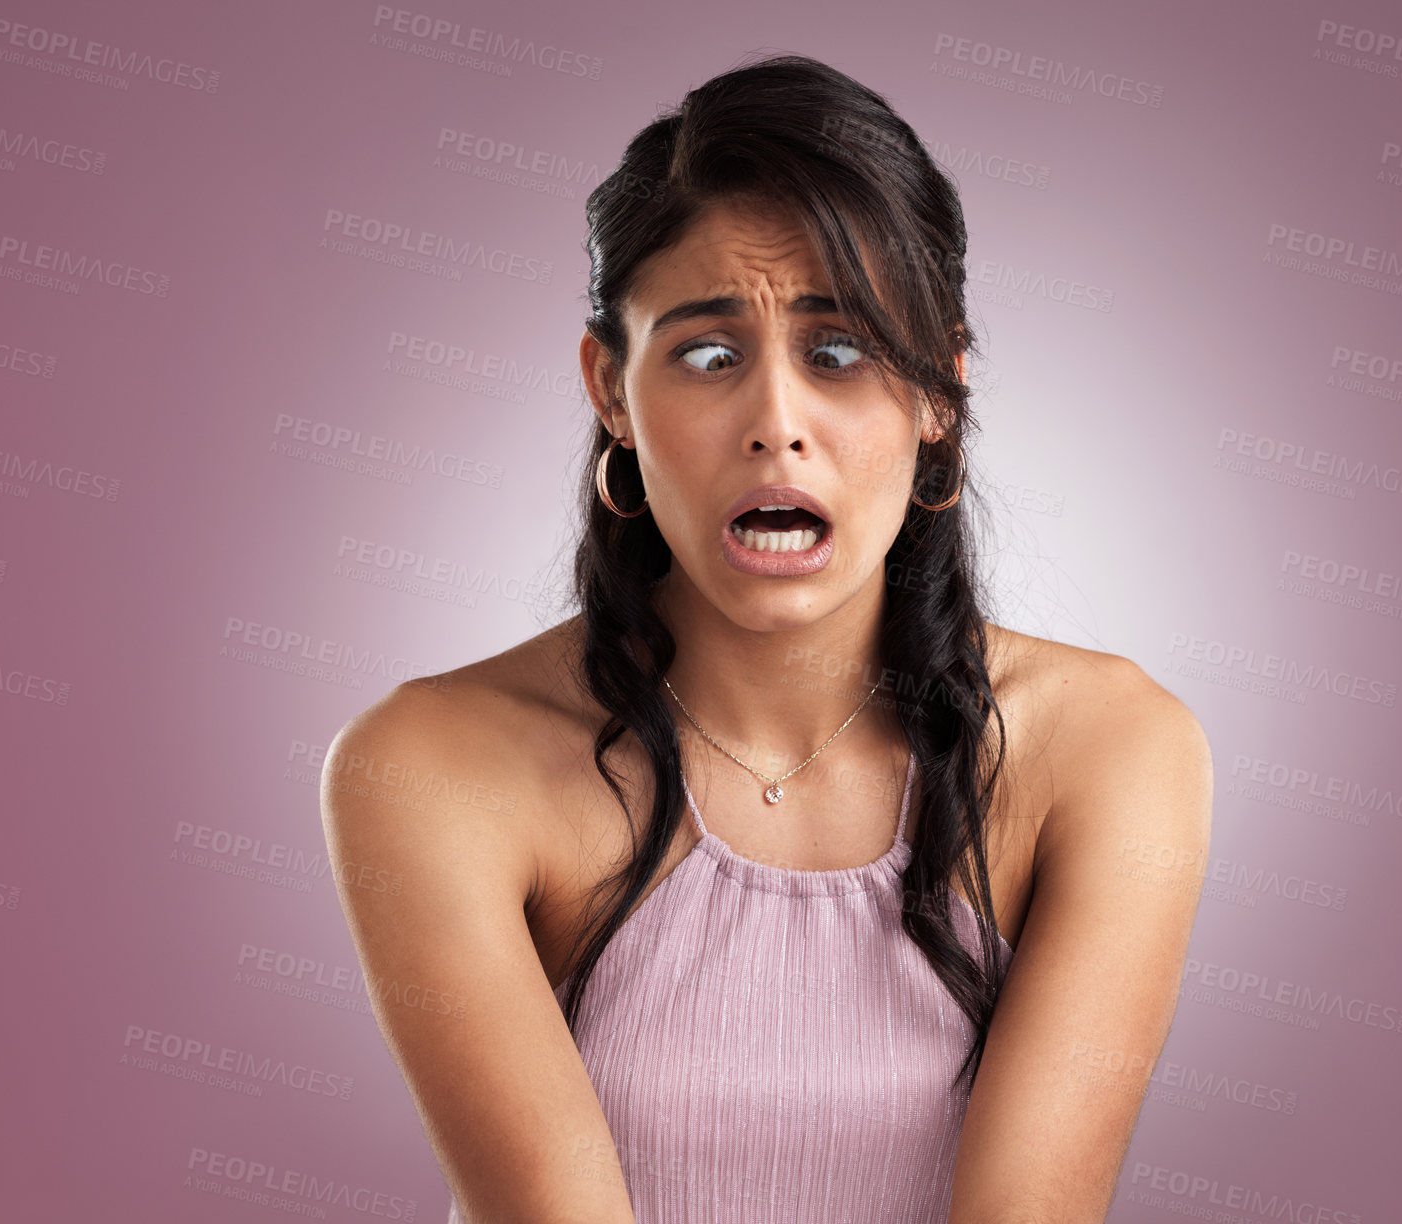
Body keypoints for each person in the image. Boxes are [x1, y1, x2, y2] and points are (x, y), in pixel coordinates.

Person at [321, 52, 1212, 1224]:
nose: (775, 425)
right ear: (610, 391)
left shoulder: (1108, 747)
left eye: (838, 353)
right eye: (705, 354)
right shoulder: (433, 761)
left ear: (939, 392)